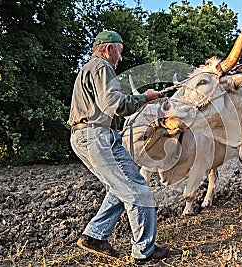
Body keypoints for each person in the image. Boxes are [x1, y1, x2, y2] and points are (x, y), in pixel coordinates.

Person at [67, 30, 169, 262]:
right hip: (97, 138)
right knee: (137, 190)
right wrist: (146, 97)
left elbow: (101, 108)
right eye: (119, 52)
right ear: (109, 48)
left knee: (120, 187)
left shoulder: (89, 69)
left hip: (89, 136)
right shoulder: (102, 67)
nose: (120, 58)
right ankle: (144, 251)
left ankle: (94, 235)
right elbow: (114, 104)